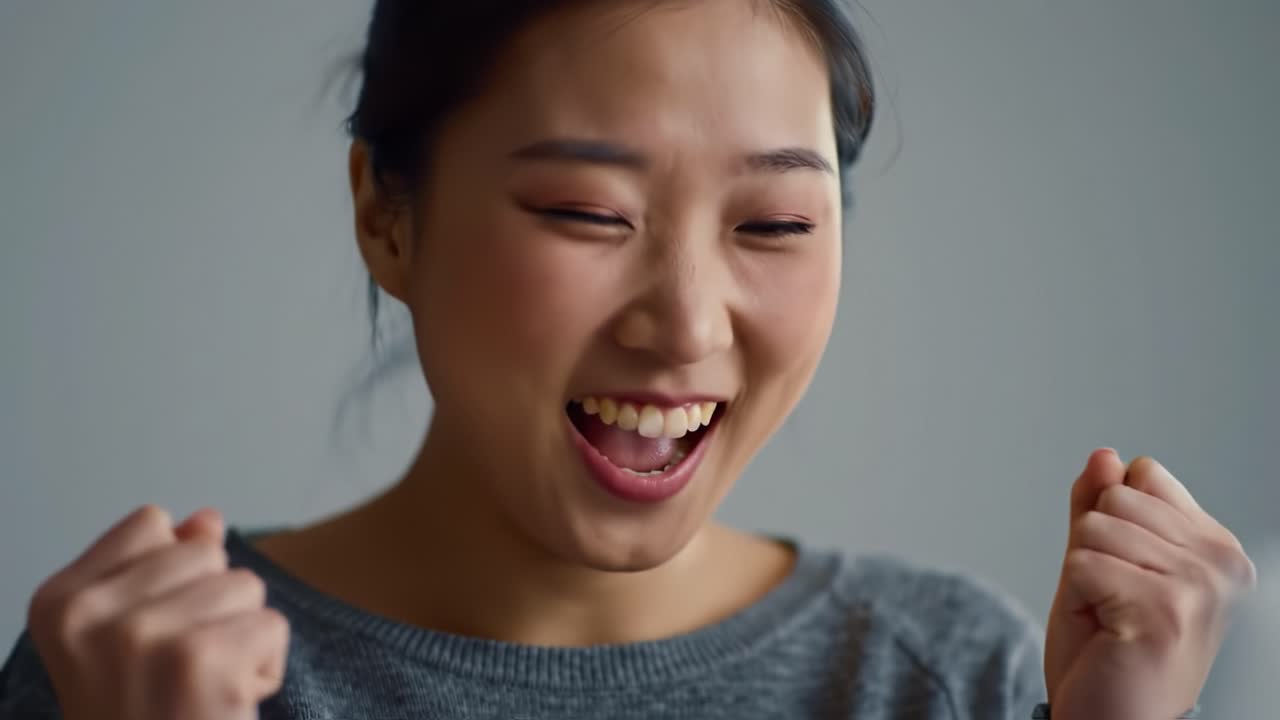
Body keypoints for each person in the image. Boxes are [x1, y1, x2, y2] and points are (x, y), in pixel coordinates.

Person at [0, 1, 1258, 718]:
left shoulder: (943, 676)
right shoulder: (138, 675)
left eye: (774, 226)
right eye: (585, 214)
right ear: (386, 214)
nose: (689, 325)